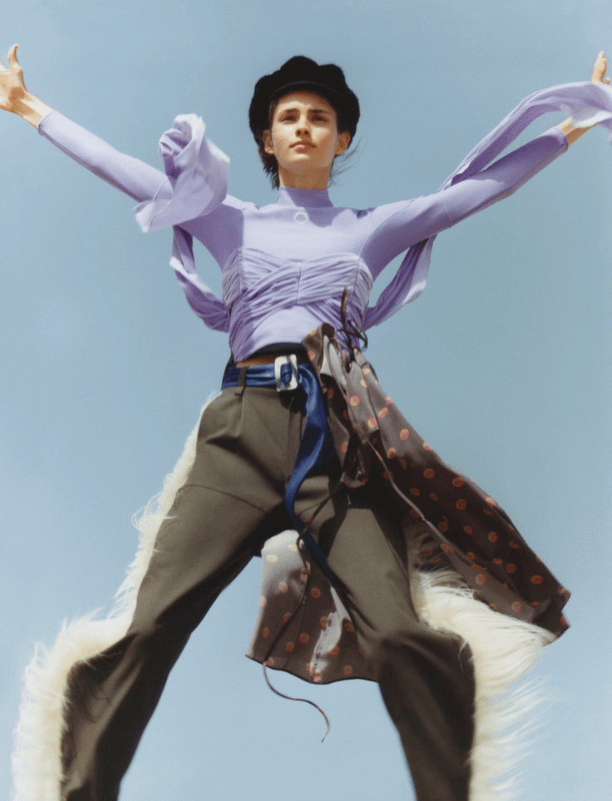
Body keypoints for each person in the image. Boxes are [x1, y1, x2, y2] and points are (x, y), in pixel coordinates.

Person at [3, 48, 612, 801]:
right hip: (241, 432)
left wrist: (571, 126)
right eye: (288, 117)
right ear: (266, 139)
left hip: (340, 443)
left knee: (402, 633)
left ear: (340, 139)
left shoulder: (373, 226)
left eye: (319, 118)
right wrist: (29, 108)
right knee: (151, 624)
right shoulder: (226, 219)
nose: (303, 126)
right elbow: (122, 170)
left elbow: (478, 192)